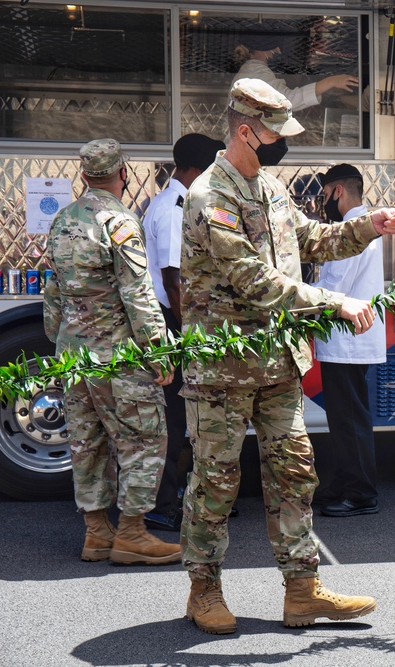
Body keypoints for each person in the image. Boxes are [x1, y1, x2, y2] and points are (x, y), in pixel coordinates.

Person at [179, 78, 395, 635]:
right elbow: (256, 282)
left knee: (294, 472)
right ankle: (203, 590)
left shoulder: (271, 190)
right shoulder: (212, 196)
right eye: (277, 132)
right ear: (247, 130)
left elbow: (313, 240)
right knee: (215, 480)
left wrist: (366, 228)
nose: (284, 142)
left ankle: (302, 592)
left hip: (278, 365)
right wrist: (336, 300)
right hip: (224, 371)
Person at [42, 138, 181, 566]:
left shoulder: (63, 219)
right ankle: (133, 533)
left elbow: (53, 289)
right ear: (122, 173)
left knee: (87, 442)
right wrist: (158, 350)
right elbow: (137, 291)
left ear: (84, 175)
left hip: (74, 355)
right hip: (117, 356)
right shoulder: (120, 222)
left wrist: (59, 337)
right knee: (146, 437)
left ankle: (97, 533)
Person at [140, 133, 225, 532]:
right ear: (196, 169)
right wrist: (190, 333)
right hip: (175, 321)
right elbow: (174, 279)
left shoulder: (165, 201)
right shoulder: (175, 208)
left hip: (172, 319)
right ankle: (164, 503)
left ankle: (178, 495)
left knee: (181, 414)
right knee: (176, 417)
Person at [311, 164, 385, 518]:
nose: (323, 202)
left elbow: (332, 289)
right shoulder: (362, 225)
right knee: (343, 419)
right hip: (348, 339)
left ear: (337, 191)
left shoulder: (351, 231)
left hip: (348, 340)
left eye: (324, 195)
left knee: (350, 419)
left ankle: (360, 492)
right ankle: (343, 482)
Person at [232, 30, 358, 112]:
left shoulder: (253, 70)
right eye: (275, 47)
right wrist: (330, 82)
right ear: (263, 49)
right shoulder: (256, 73)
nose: (279, 52)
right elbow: (287, 100)